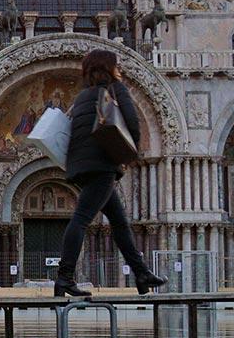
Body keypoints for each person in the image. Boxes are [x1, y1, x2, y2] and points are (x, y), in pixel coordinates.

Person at [53, 48, 167, 297]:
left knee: (119, 222)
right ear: (108, 68)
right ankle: (64, 278)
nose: (120, 70)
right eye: (117, 65)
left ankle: (141, 273)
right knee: (82, 219)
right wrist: (129, 154)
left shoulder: (83, 96)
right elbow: (132, 123)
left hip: (81, 166)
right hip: (102, 165)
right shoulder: (115, 90)